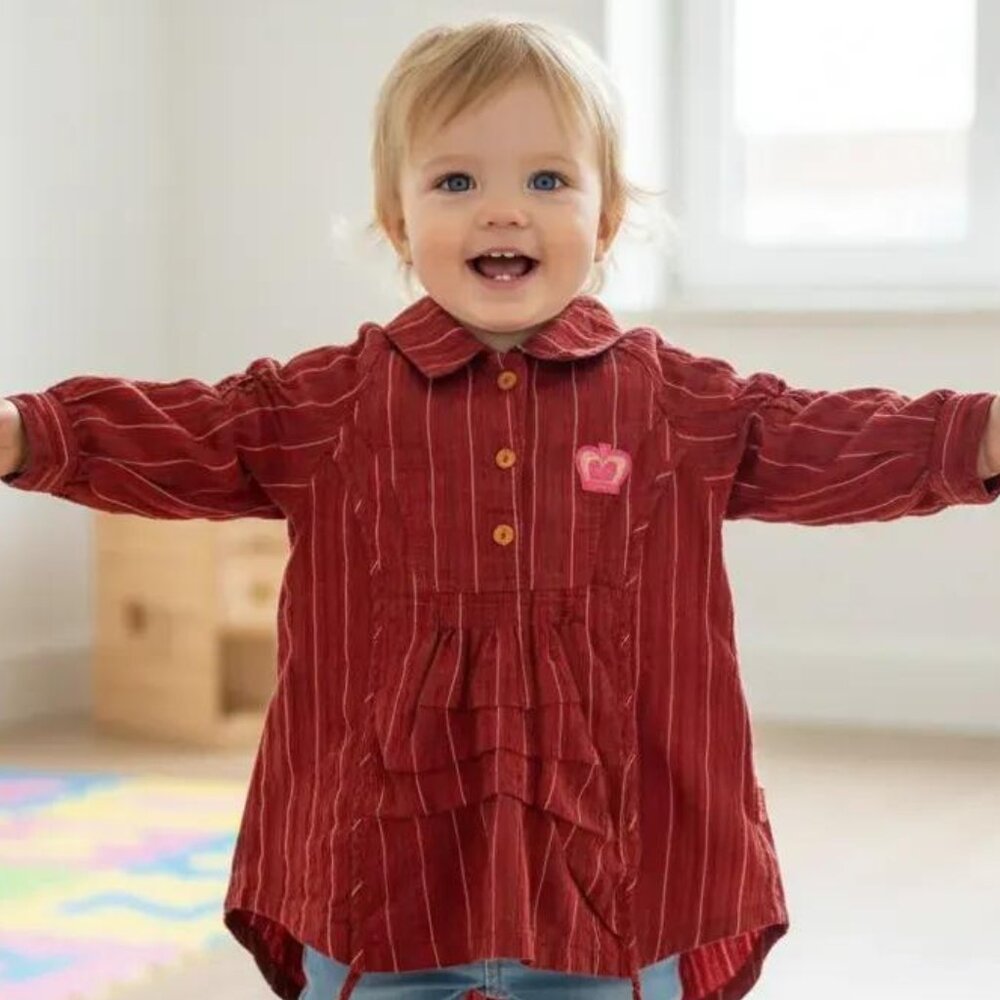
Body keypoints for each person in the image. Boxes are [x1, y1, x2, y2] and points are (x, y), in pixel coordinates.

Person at [2, 16, 999, 1000]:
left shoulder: (674, 404)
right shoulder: (332, 403)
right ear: (397, 223)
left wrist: (974, 435)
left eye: (547, 180)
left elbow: (825, 435)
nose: (503, 211)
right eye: (454, 181)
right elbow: (190, 430)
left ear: (604, 220)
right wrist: (27, 430)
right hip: (382, 891)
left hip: (613, 891)